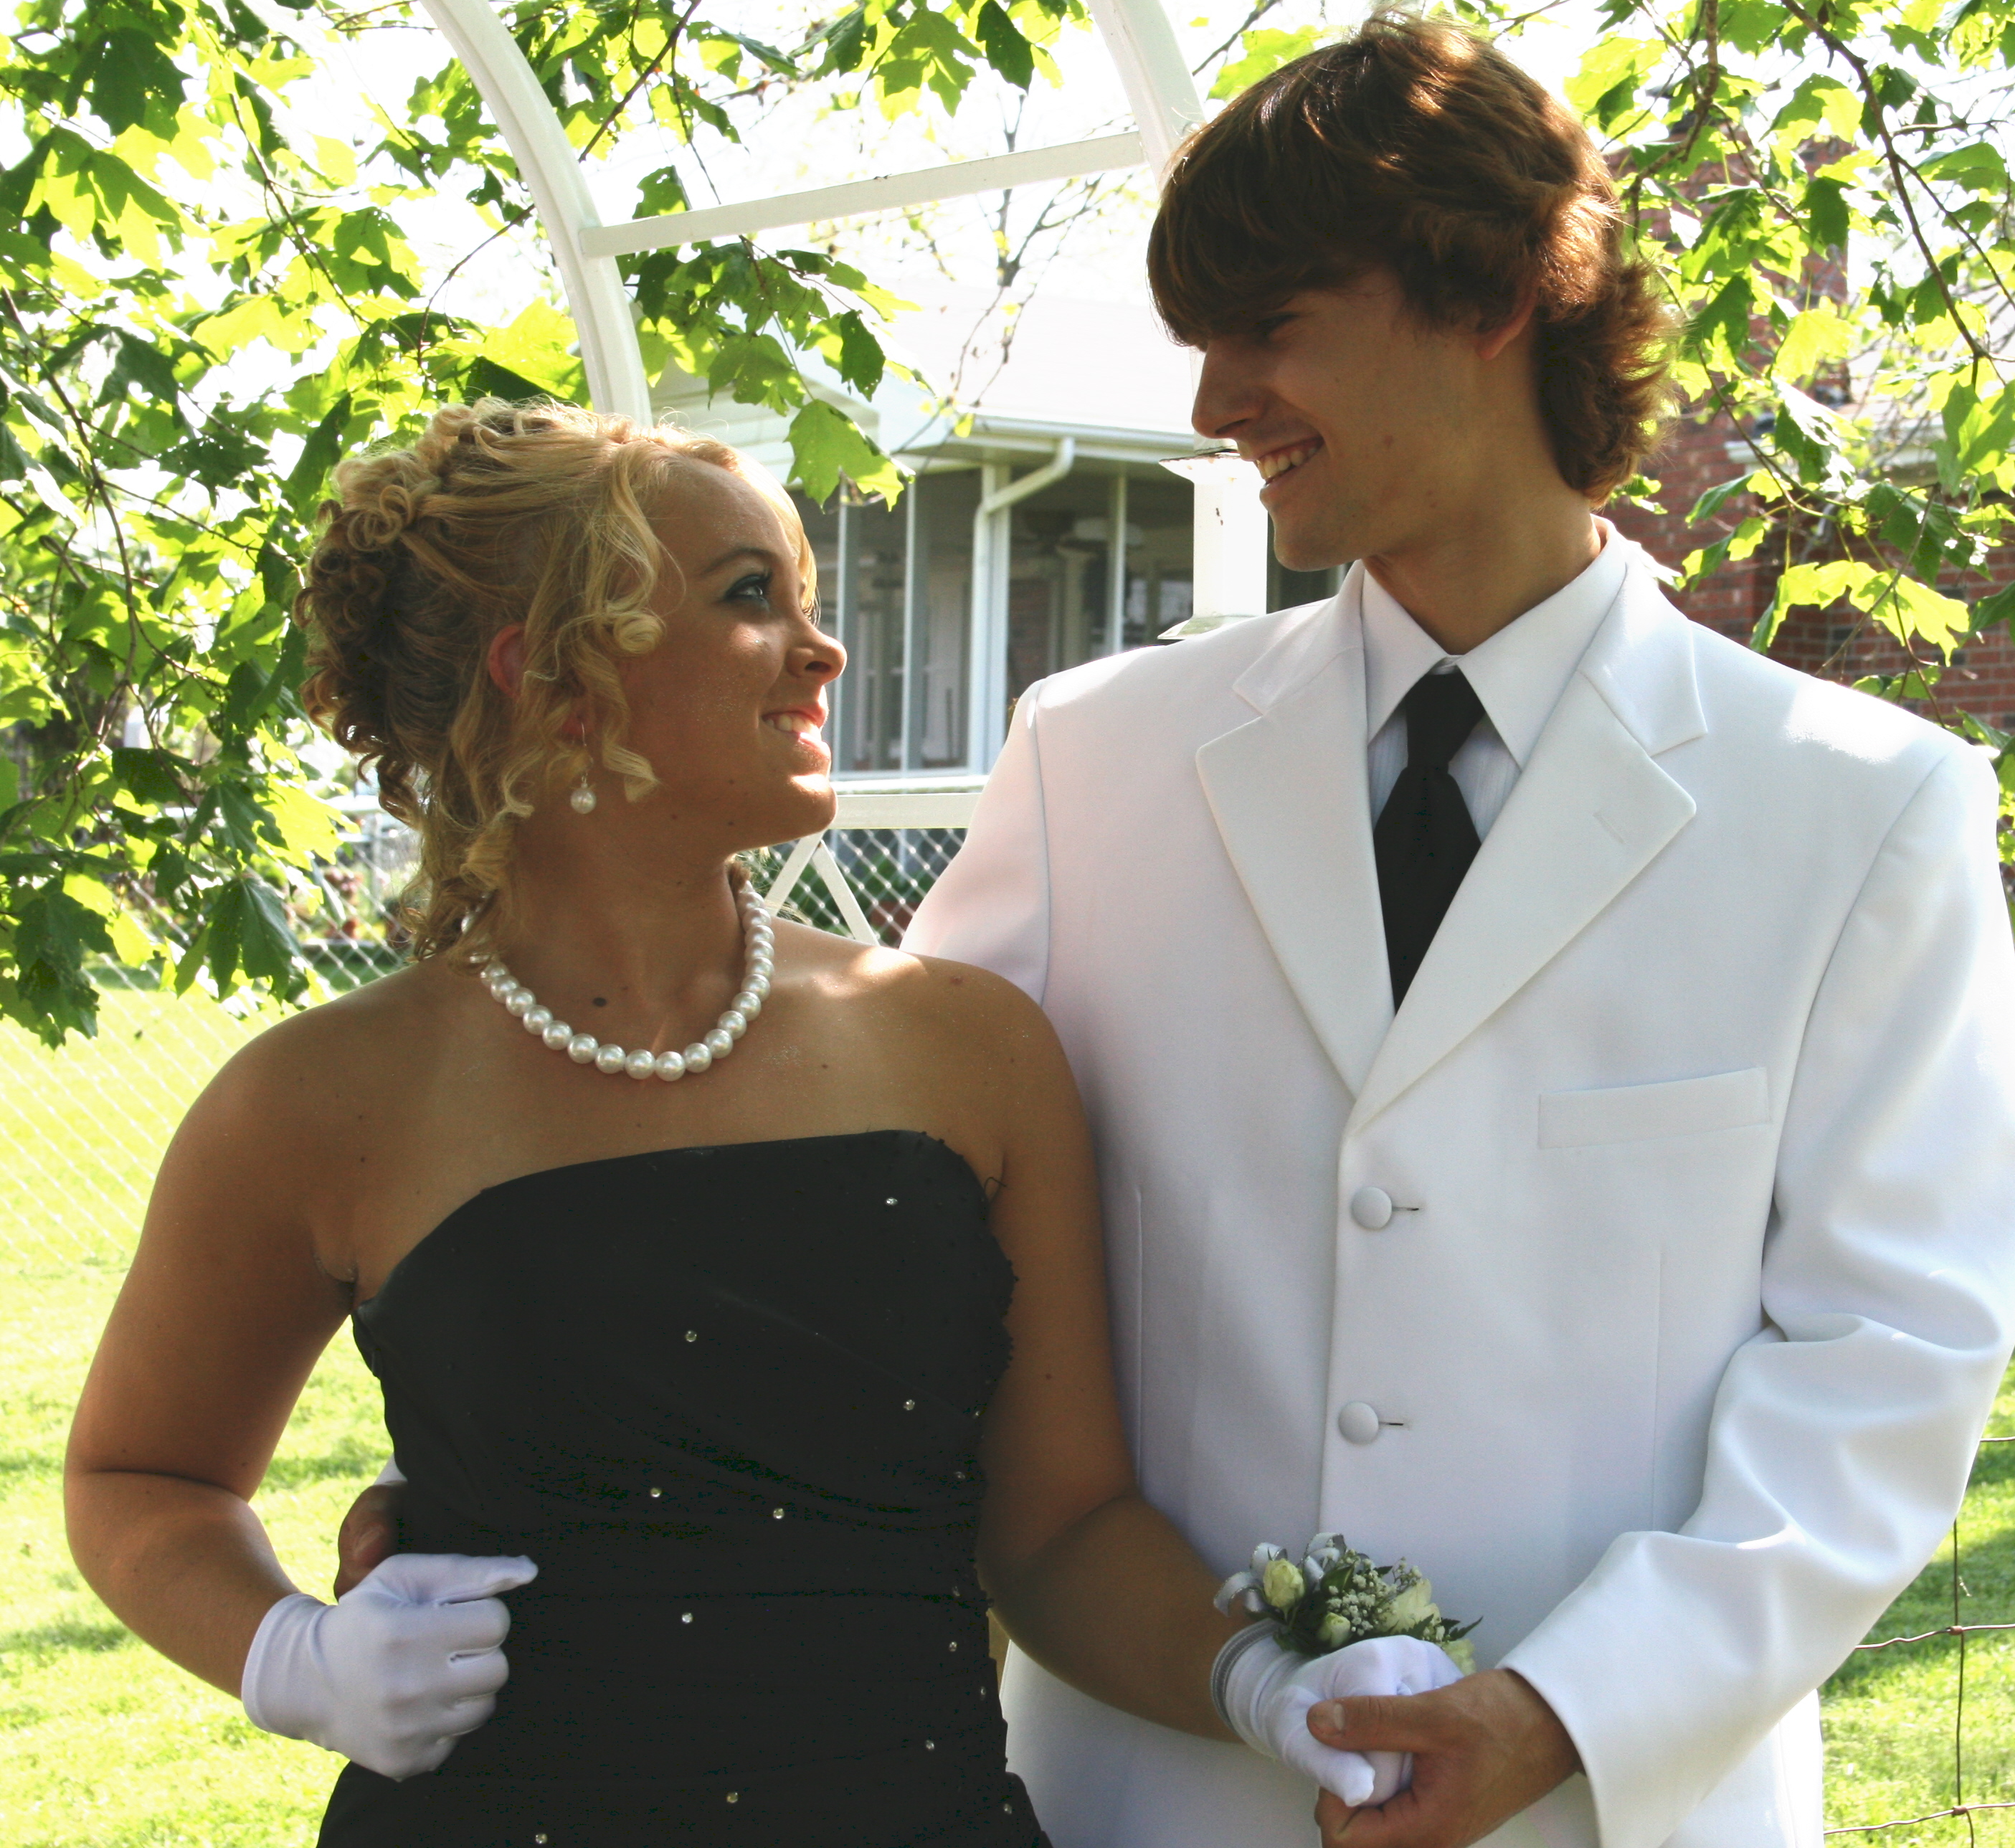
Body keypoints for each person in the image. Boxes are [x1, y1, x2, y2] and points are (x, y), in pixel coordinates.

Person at [892, 16, 2015, 1848]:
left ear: (1492, 295)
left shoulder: (1860, 808)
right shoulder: (1084, 764)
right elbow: (889, 1222)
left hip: (1602, 1812)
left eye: (1268, 326)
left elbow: (1887, 1360)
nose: (1212, 405)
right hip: (1152, 1799)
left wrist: (1567, 1709)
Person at [62, 401, 1460, 1848]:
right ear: (553, 680)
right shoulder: (315, 1101)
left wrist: (1261, 1678)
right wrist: (292, 1654)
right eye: (749, 597)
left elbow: (1060, 1530)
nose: (823, 649)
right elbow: (136, 1476)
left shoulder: (964, 1046)